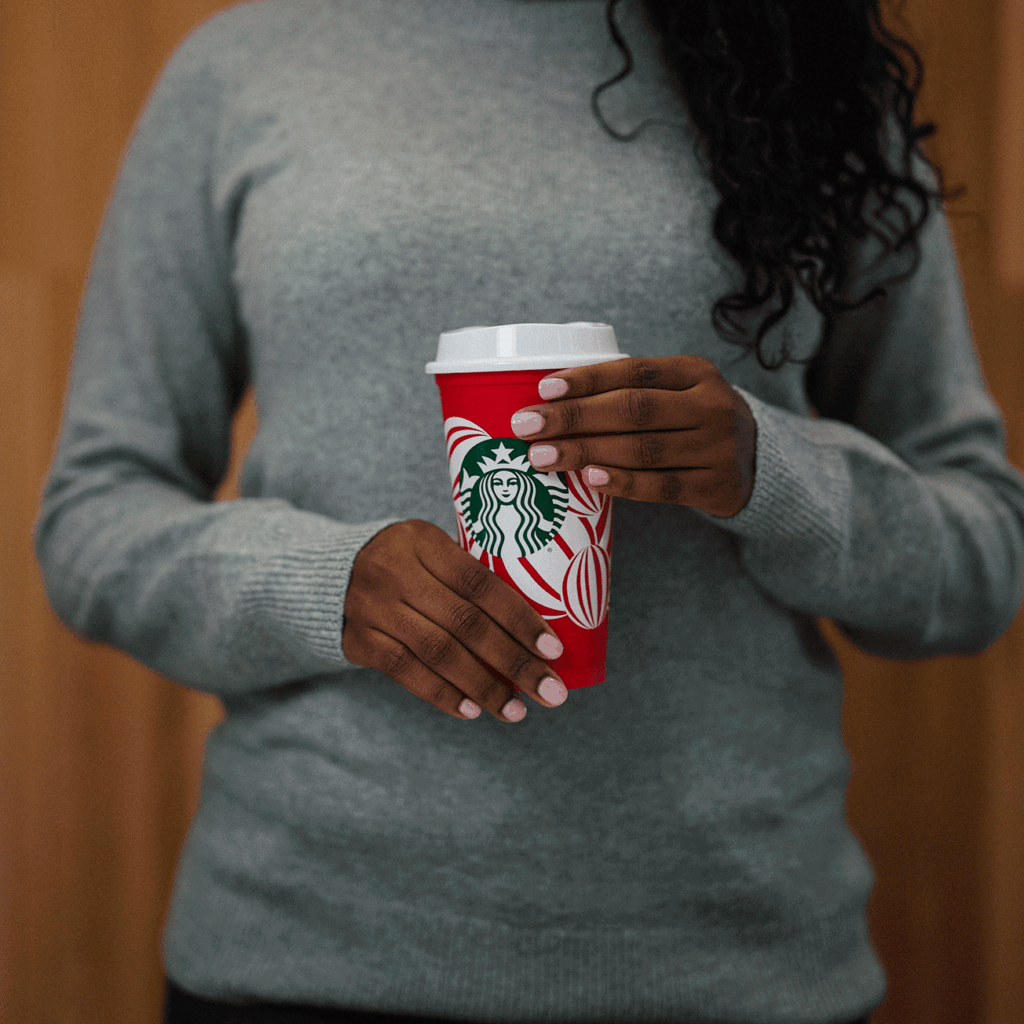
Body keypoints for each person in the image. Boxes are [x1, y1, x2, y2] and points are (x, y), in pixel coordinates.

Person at [33, 0, 1024, 1021]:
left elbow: (984, 550)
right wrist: (326, 586)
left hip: (733, 966)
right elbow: (94, 513)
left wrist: (772, 472)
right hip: (305, 956)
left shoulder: (810, 74)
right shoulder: (243, 67)